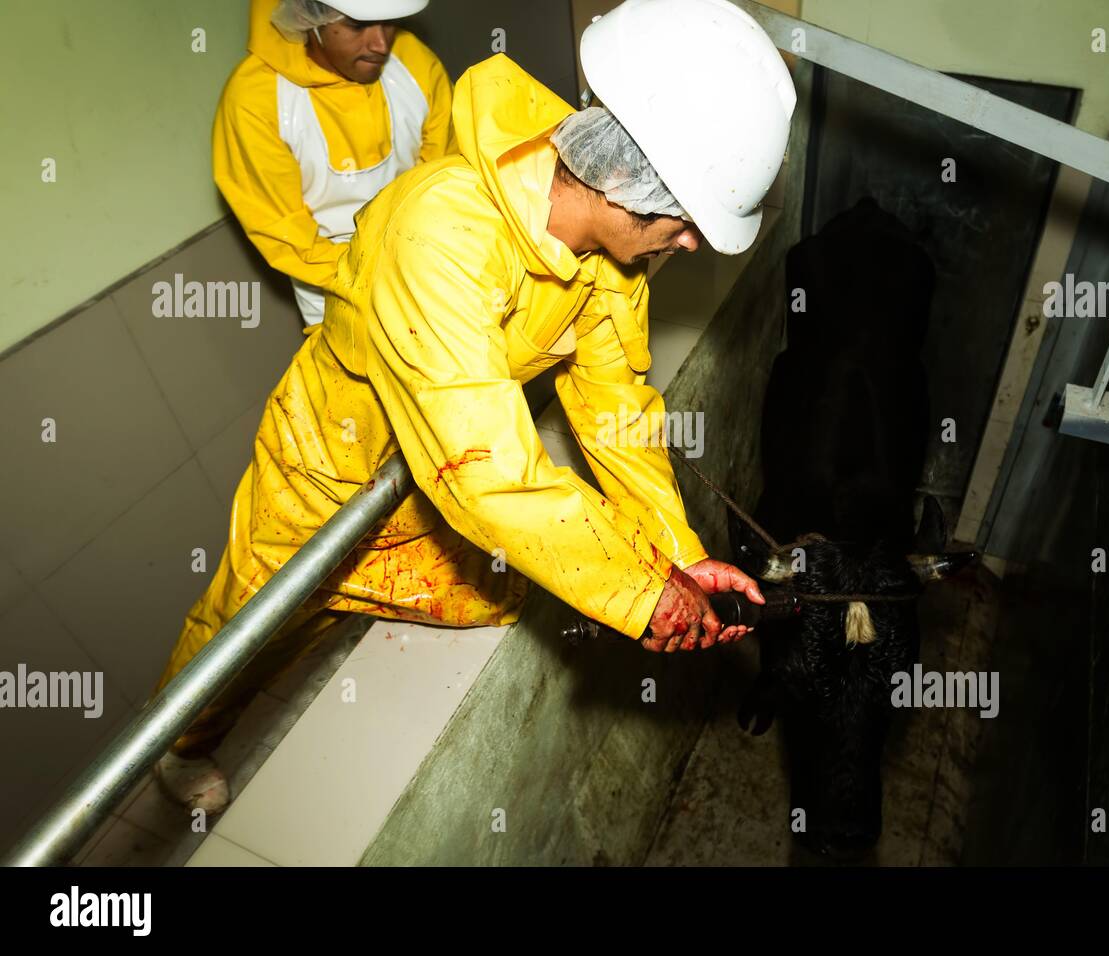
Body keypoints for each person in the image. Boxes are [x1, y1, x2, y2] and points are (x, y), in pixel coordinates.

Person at [154, 0, 797, 813]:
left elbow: (615, 408)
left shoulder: (607, 260)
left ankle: (333, 628)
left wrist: (672, 552)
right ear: (630, 185)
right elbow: (489, 472)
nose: (692, 243)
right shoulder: (441, 233)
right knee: (252, 625)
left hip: (425, 482)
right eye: (687, 220)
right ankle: (182, 740)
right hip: (331, 471)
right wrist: (637, 594)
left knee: (494, 595)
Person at [214, 0, 456, 325]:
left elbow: (446, 174)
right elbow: (283, 230)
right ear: (308, 16)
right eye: (357, 26)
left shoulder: (413, 62)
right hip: (338, 294)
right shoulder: (256, 102)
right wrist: (377, 279)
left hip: (430, 260)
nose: (380, 44)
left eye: (388, 21)